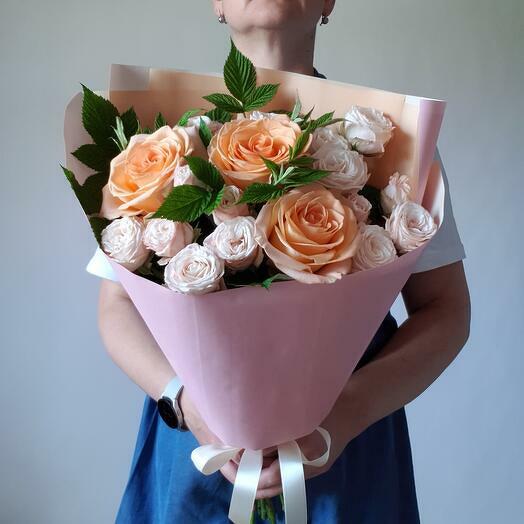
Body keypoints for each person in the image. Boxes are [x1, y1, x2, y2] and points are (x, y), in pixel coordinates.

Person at [90, 1, 471, 522]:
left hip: (344, 441)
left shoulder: (392, 140)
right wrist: (183, 401)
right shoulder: (162, 140)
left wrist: (347, 415)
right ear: (216, 5)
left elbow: (445, 311)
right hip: (198, 442)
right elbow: (117, 305)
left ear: (328, 2)